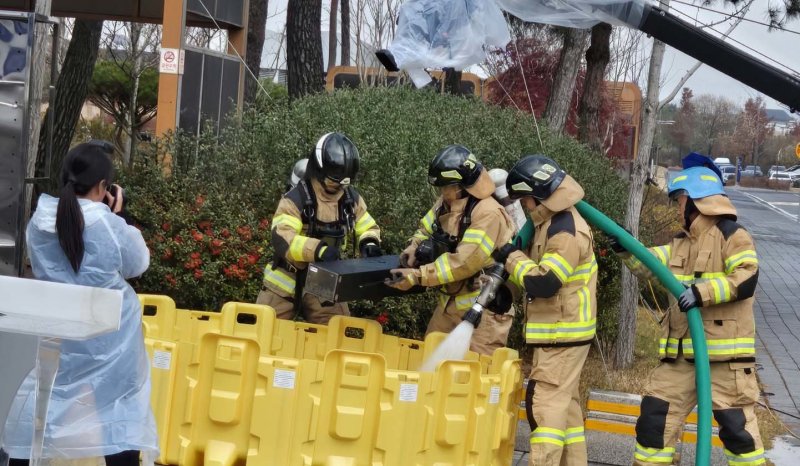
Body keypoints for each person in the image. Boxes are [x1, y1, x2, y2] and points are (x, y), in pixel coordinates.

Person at [5, 141, 157, 465]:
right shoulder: (106, 223)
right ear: (103, 186)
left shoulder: (38, 222)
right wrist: (122, 214)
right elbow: (138, 262)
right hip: (112, 339)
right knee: (120, 415)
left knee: (43, 405)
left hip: (58, 338)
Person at [610, 166, 763, 466]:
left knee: (738, 434)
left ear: (697, 199)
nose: (678, 206)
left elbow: (747, 277)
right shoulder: (680, 243)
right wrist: (627, 248)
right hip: (679, 361)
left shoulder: (733, 236)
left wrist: (700, 293)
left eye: (680, 199)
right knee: (654, 423)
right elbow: (650, 264)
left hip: (724, 363)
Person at [492, 155, 597, 465]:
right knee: (566, 412)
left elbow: (546, 282)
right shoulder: (551, 223)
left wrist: (511, 258)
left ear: (537, 195)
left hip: (562, 336)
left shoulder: (565, 230)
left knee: (545, 408)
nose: (524, 206)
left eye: (524, 199)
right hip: (561, 334)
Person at [385, 144, 516, 355]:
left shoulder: (488, 213)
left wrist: (417, 277)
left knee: (474, 376)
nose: (443, 193)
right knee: (428, 361)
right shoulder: (447, 202)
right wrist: (414, 246)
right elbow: (426, 228)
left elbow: (463, 262)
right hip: (449, 305)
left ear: (463, 185)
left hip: (483, 308)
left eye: (447, 187)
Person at [257, 132, 382, 324]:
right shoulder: (296, 198)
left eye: (343, 183)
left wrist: (370, 242)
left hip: (325, 280)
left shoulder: (351, 199)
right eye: (333, 181)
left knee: (337, 333)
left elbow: (367, 225)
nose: (337, 187)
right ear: (319, 170)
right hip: (285, 280)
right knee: (264, 329)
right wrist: (318, 250)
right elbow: (283, 237)